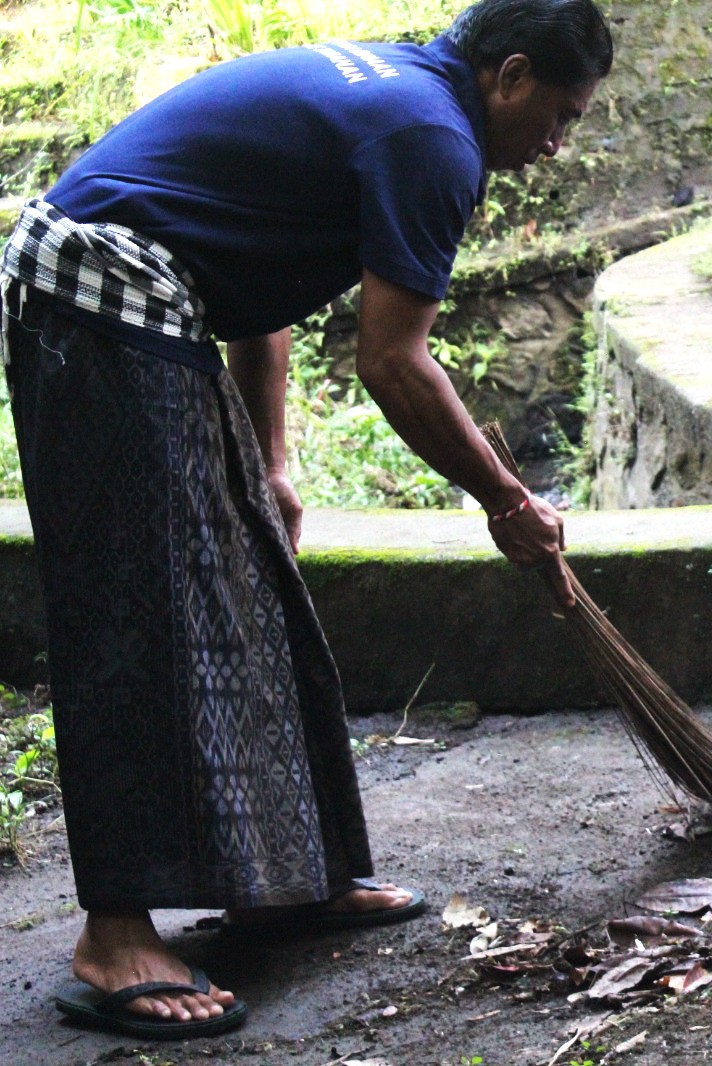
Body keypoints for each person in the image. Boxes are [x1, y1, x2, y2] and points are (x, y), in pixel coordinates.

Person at [0, 0, 610, 1039]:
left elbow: (256, 266)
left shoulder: (397, 97)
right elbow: (392, 360)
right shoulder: (431, 135)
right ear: (508, 75)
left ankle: (285, 878)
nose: (555, 144)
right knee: (143, 612)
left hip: (159, 302)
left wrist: (274, 460)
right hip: (95, 297)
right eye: (559, 115)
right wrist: (507, 502)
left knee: (250, 588)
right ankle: (113, 934)